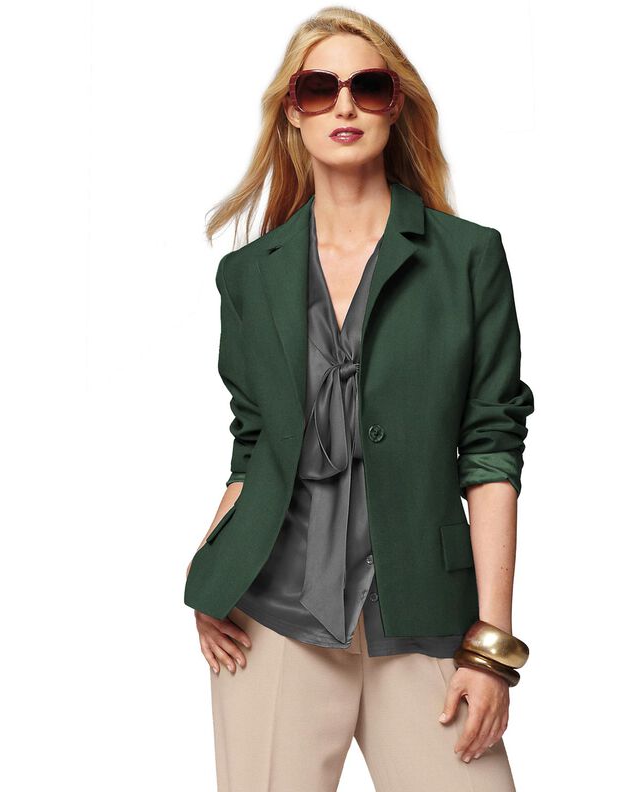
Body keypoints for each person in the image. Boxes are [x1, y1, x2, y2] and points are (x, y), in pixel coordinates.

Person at [184, 7, 535, 791]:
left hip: (423, 614)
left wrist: (491, 646)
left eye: (367, 86)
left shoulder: (468, 259)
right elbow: (253, 443)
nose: (344, 105)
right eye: (319, 88)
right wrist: (213, 570)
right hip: (270, 615)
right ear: (293, 112)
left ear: (394, 104)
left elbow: (491, 449)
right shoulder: (248, 277)